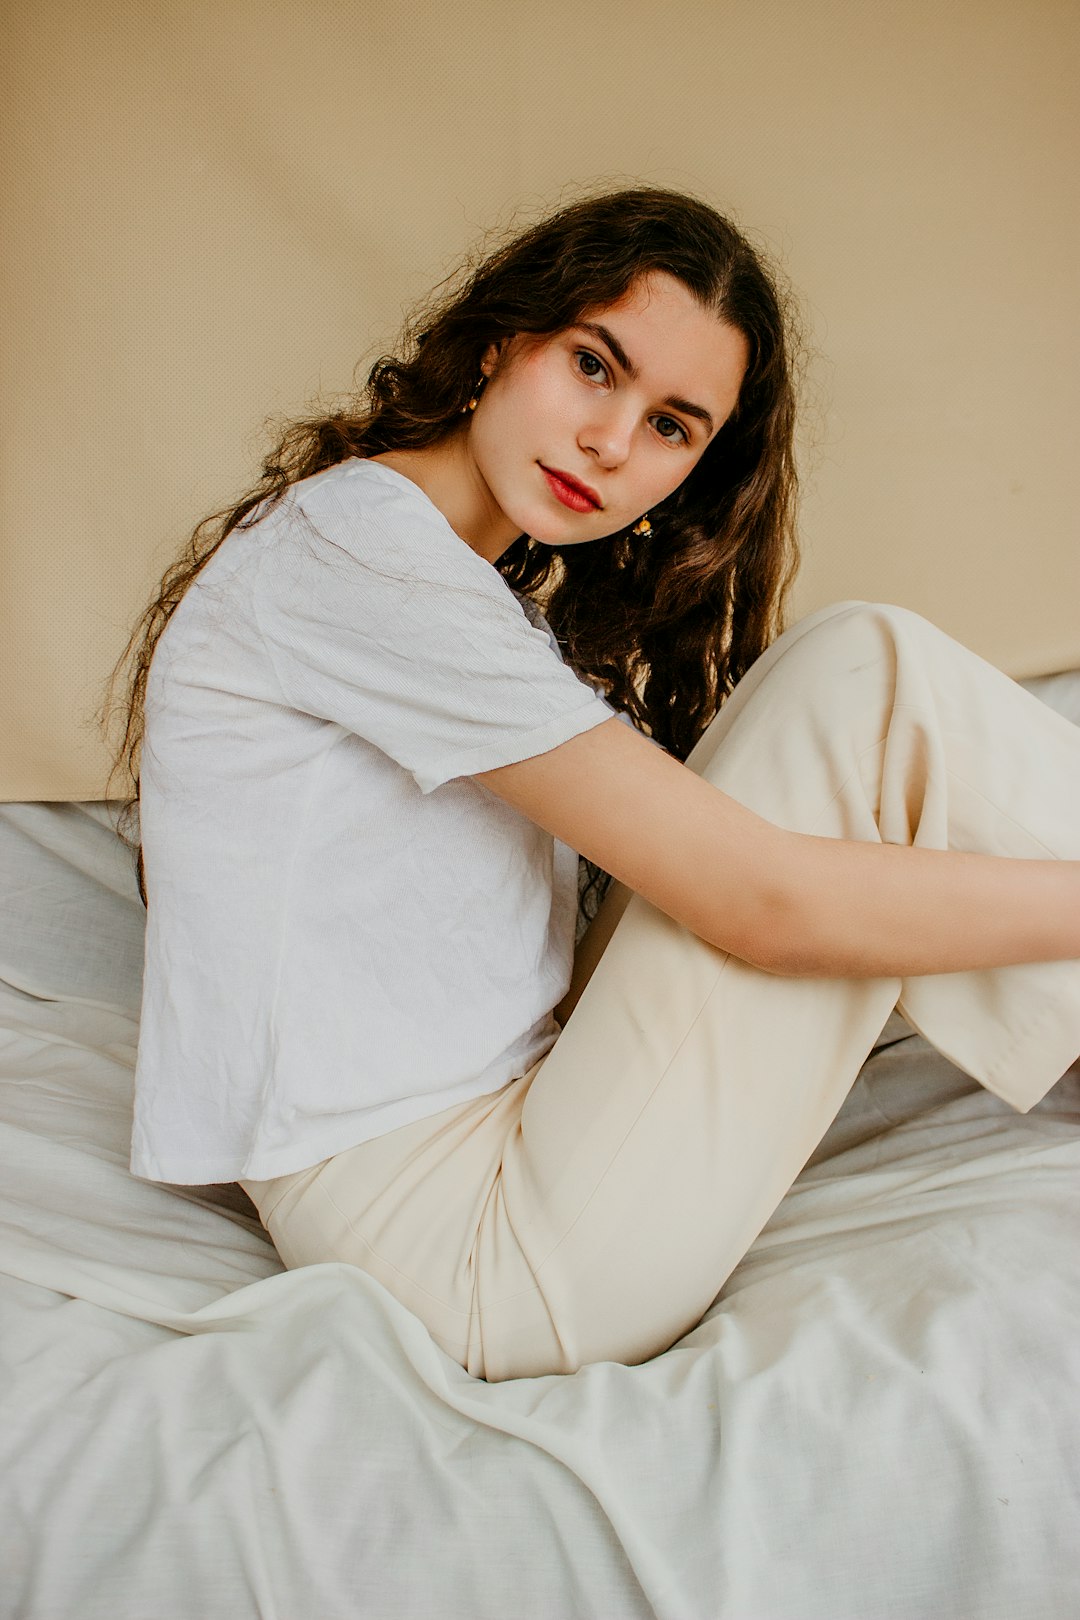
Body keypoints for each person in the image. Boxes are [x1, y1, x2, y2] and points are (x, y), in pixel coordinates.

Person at [105, 185, 1080, 1383]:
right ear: (503, 341)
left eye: (672, 426)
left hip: (522, 1140)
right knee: (860, 689)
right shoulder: (363, 553)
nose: (612, 443)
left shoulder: (446, 574)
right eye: (593, 366)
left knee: (855, 665)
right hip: (477, 1262)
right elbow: (759, 906)